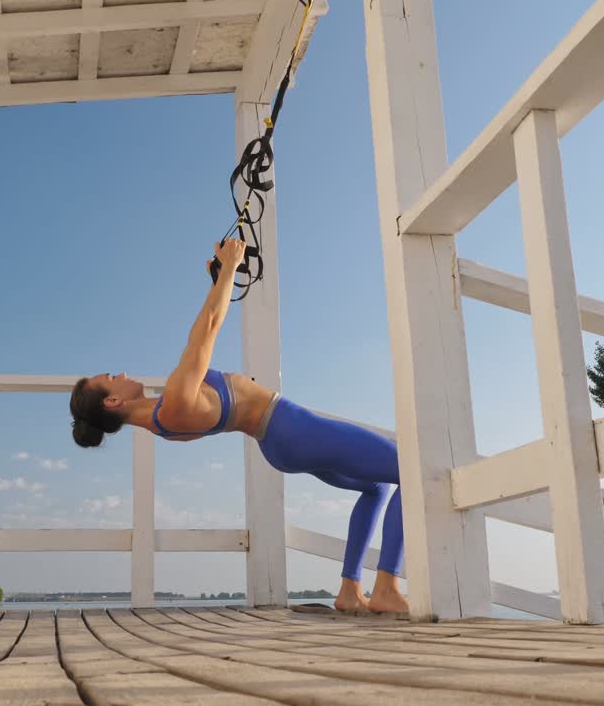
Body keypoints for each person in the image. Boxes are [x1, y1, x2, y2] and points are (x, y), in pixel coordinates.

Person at [69, 239, 408, 614]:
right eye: (113, 377)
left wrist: (218, 280)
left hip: (281, 442)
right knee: (409, 469)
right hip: (288, 428)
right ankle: (387, 587)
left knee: (376, 487)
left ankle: (349, 591)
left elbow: (206, 328)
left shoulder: (159, 417)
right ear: (112, 401)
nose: (123, 373)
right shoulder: (174, 403)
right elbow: (209, 328)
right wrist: (230, 265)